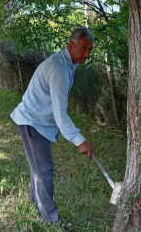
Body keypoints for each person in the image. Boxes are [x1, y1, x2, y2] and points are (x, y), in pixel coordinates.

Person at [10, 27, 95, 226]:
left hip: (38, 120)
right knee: (43, 171)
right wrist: (79, 140)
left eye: (90, 49)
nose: (87, 54)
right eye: (83, 49)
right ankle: (51, 221)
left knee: (38, 168)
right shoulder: (59, 70)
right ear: (70, 46)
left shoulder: (67, 62)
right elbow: (60, 114)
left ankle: (34, 206)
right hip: (33, 122)